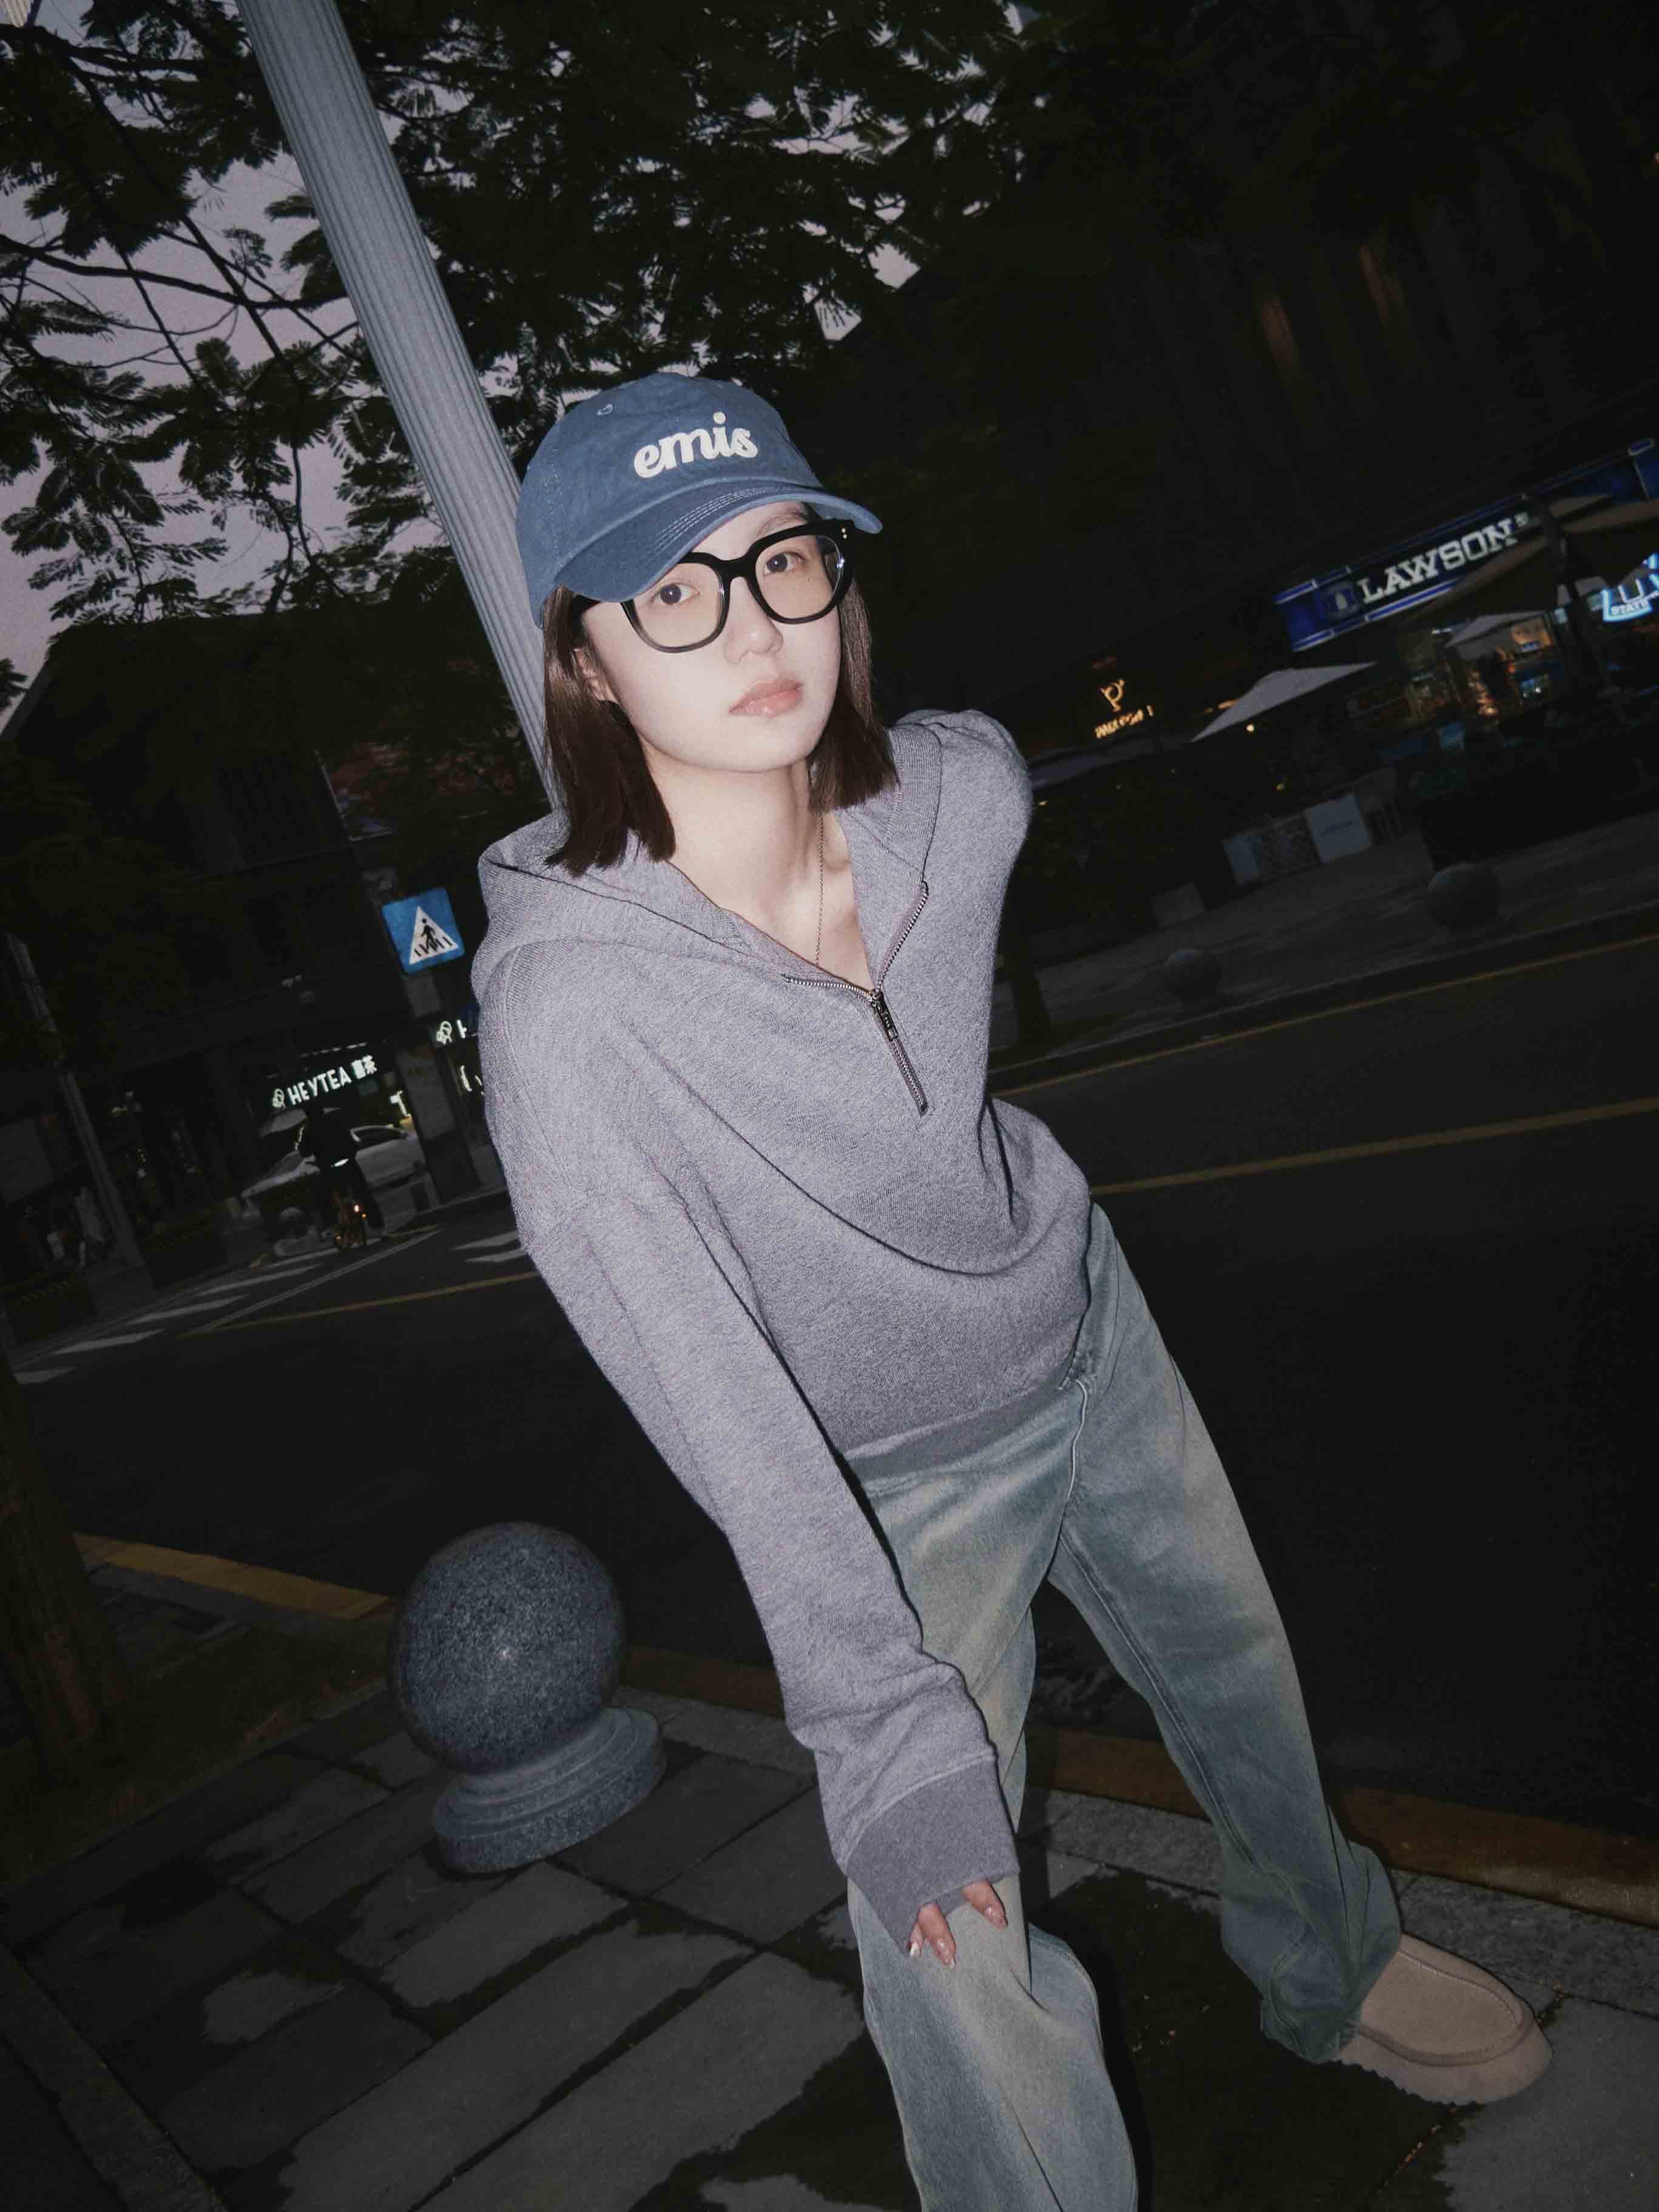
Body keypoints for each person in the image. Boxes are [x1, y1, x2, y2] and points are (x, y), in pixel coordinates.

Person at [475, 371, 1549, 2210]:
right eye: (672, 591)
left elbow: (960, 765)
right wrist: (880, 1734)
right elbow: (723, 1416)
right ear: (584, 660)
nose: (752, 627)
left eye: (783, 560)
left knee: (1239, 1683)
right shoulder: (570, 1019)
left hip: (1082, 1322)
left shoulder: (956, 799)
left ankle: (1331, 1961)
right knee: (942, 1909)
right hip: (884, 1482)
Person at [298, 1104, 384, 1237]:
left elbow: (304, 1152)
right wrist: (351, 1153)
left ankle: (331, 1226)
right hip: (349, 1164)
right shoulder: (336, 1121)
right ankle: (379, 1227)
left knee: (323, 1197)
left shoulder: (309, 1130)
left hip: (330, 1169)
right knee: (364, 1194)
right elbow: (351, 1140)